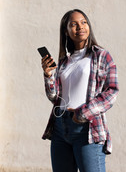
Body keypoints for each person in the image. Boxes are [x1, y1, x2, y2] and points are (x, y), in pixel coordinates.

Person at [41, 9, 119, 172]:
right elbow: (54, 96)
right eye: (74, 24)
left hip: (87, 129)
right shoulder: (64, 61)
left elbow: (111, 92)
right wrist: (48, 75)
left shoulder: (102, 56)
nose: (80, 27)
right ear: (66, 31)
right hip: (60, 128)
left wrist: (82, 113)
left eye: (83, 22)